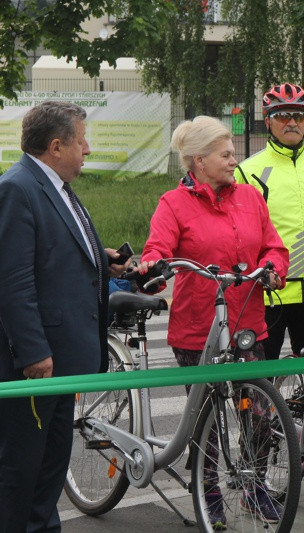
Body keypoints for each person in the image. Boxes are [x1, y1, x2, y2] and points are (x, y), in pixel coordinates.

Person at [138, 116, 289, 528]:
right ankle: (208, 496)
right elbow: (159, 247)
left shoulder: (251, 198)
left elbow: (273, 246)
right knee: (205, 421)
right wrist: (155, 262)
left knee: (258, 416)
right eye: (225, 154)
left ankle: (255, 487)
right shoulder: (174, 203)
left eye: (233, 152)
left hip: (246, 326)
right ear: (199, 161)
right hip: (197, 329)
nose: (234, 160)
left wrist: (274, 267)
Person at [0, 101, 129, 531]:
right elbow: (13, 281)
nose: (88, 149)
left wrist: (101, 257)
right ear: (56, 146)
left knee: (49, 468)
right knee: (22, 472)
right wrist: (34, 352)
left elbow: (51, 254)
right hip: (38, 366)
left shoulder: (54, 186)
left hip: (63, 363)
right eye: (81, 141)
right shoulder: (18, 188)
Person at [234, 83, 304, 359]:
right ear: (268, 121)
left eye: (299, 116)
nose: (292, 122)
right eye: (282, 116)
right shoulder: (247, 171)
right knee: (261, 381)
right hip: (269, 295)